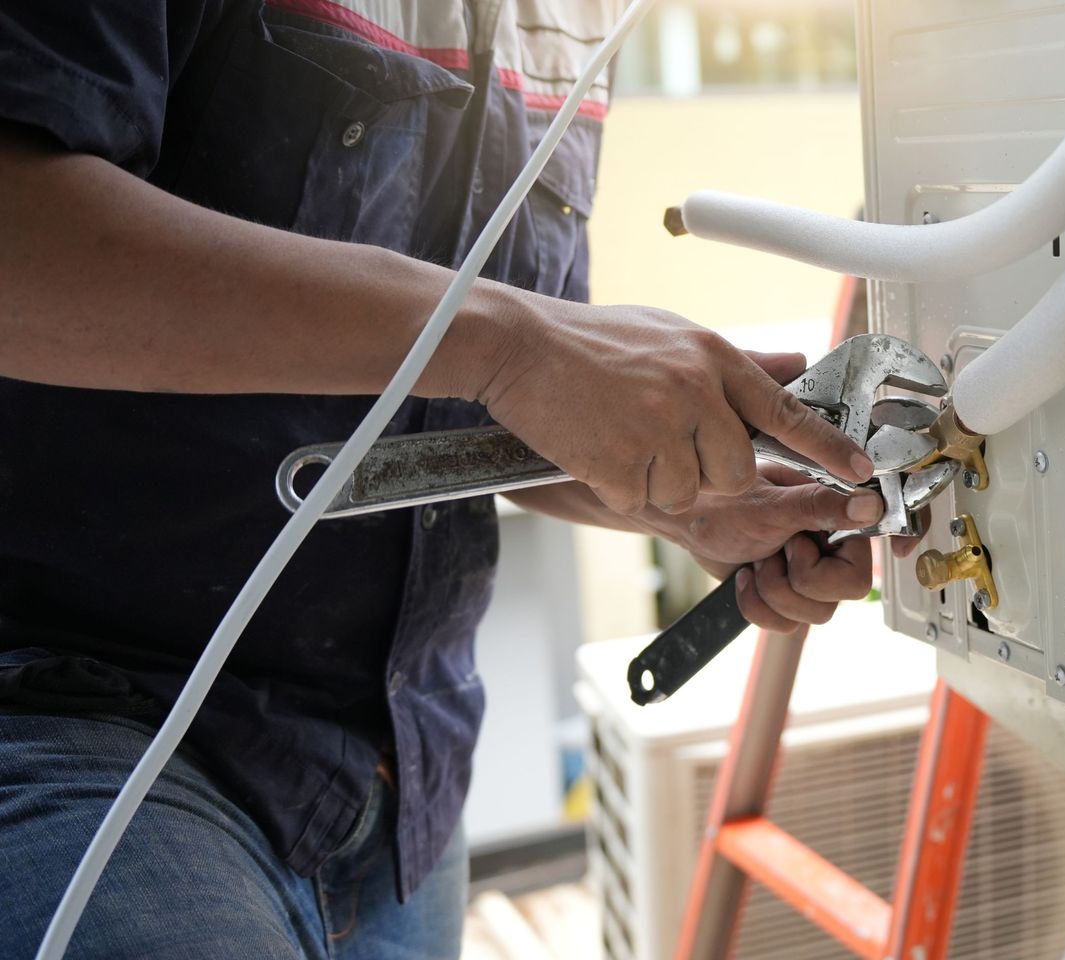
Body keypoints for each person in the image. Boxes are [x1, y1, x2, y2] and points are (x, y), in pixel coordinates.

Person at [0, 2, 883, 956]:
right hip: (79, 721)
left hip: (398, 796)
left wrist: (692, 505)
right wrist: (512, 341)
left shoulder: (582, 21)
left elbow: (492, 401)